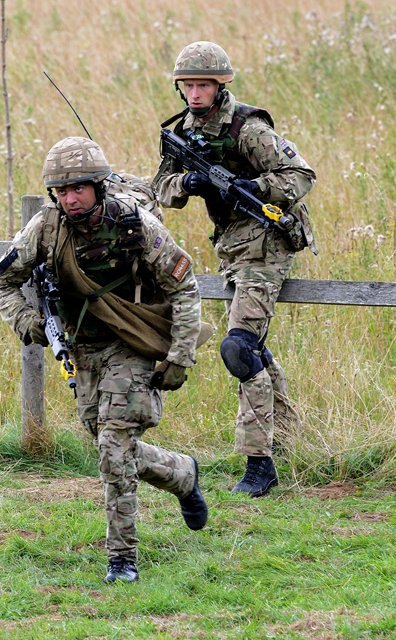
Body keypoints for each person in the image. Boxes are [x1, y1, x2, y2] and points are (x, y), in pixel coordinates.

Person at [0, 136, 209, 584]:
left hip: (136, 342)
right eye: (61, 191)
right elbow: (3, 281)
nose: (70, 199)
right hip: (83, 347)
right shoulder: (45, 228)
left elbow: (184, 289)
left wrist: (181, 355)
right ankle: (183, 475)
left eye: (79, 189)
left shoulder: (138, 225)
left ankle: (122, 559)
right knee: (111, 445)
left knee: (113, 446)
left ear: (99, 186)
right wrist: (29, 323)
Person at [153, 41, 317, 498]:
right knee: (254, 349)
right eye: (187, 85)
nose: (194, 93)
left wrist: (252, 185)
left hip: (268, 243)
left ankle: (259, 463)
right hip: (232, 247)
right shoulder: (183, 131)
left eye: (202, 84)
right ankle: (285, 437)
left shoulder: (249, 126)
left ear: (221, 84)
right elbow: (159, 186)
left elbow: (300, 175)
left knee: (238, 349)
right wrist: (188, 181)